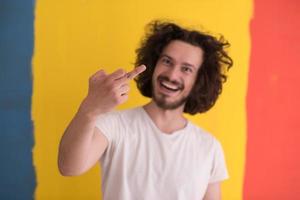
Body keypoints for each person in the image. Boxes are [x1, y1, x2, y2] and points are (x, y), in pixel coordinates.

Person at [58, 20, 233, 200]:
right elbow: (69, 167)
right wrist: (90, 108)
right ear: (154, 64)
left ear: (199, 80)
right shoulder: (115, 125)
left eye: (186, 69)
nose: (172, 75)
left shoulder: (209, 147)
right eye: (167, 61)